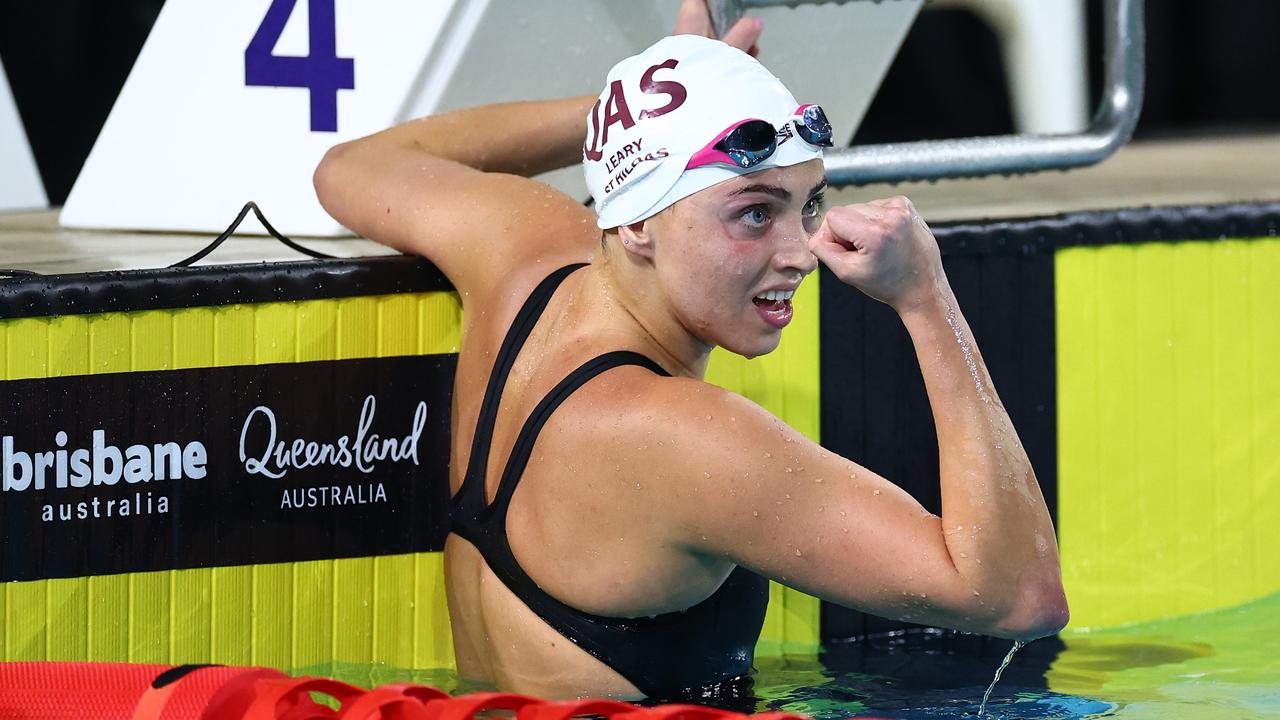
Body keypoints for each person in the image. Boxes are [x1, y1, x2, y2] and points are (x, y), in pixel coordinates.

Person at [313, 0, 1067, 701]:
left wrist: (632, 111)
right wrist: (926, 300)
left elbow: (349, 169)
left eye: (806, 204)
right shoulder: (682, 437)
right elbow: (1017, 597)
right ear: (639, 224)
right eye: (751, 215)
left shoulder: (523, 254)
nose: (799, 251)